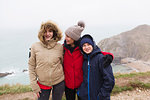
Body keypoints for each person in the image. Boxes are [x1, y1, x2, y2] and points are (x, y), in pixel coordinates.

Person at [63, 21, 114, 100]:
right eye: (66, 36)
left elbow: (96, 53)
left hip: (80, 84)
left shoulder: (81, 49)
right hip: (69, 85)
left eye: (68, 36)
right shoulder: (63, 49)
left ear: (74, 38)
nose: (65, 38)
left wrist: (110, 56)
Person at [28, 20, 65, 100]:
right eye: (45, 31)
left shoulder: (60, 47)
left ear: (54, 32)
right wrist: (34, 84)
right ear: (42, 33)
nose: (47, 34)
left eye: (50, 31)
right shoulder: (35, 46)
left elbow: (63, 63)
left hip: (59, 82)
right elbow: (31, 65)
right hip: (42, 83)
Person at [77, 34, 115, 100]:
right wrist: (80, 92)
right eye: (84, 45)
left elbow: (109, 80)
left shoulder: (101, 59)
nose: (86, 47)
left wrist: (102, 95)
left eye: (88, 44)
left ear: (93, 45)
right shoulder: (82, 60)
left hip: (99, 97)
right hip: (84, 97)